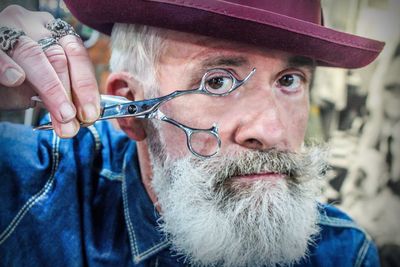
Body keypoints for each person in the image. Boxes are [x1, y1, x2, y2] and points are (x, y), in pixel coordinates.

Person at [0, 1, 385, 266]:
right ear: (131, 108)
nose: (271, 130)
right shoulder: (30, 196)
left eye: (289, 80)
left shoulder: (344, 253)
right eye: (218, 81)